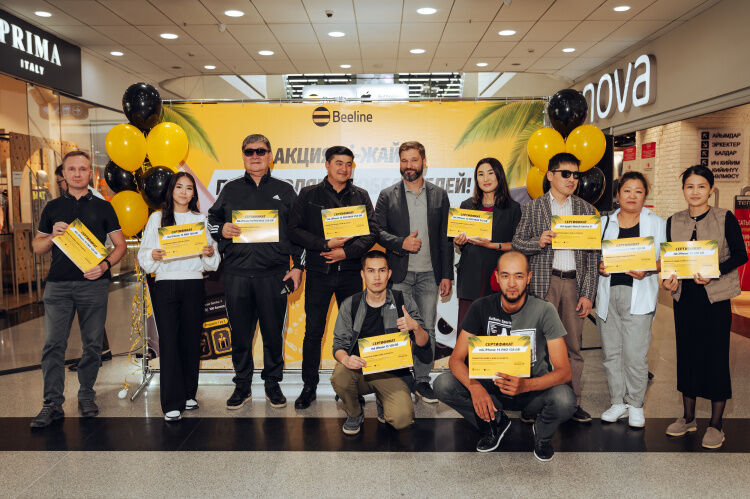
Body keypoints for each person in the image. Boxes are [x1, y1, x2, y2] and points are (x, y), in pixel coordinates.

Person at [434, 251, 576, 461]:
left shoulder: (545, 310)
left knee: (565, 400)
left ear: (529, 278)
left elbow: (564, 372)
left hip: (531, 391)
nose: (512, 283)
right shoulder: (480, 307)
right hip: (491, 389)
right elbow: (456, 359)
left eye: (518, 276)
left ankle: (542, 434)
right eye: (506, 275)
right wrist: (474, 387)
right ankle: (494, 423)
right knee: (443, 384)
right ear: (497, 277)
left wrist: (526, 385)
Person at [29, 151, 127, 428]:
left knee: (93, 345)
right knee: (53, 345)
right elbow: (37, 246)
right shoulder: (52, 208)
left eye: (82, 169)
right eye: (71, 169)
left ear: (89, 172)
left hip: (93, 285)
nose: (77, 173)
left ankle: (86, 394)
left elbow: (120, 245)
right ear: (63, 174)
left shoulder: (104, 207)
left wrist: (104, 266)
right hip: (58, 286)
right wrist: (52, 236)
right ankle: (52, 403)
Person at [207, 133, 303, 410]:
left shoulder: (285, 190)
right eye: (249, 152)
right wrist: (221, 229)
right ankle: (242, 385)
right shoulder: (231, 189)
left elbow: (298, 232)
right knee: (240, 336)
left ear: (270, 155)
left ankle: (272, 384)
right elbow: (211, 219)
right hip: (236, 274)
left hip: (274, 276)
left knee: (273, 335)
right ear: (243, 156)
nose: (255, 156)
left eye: (261, 151)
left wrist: (298, 267)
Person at [662, 165, 747, 449]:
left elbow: (740, 254)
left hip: (715, 299)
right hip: (685, 299)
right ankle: (688, 418)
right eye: (690, 186)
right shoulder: (674, 220)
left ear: (710, 189)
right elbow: (670, 260)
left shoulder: (725, 217)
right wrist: (669, 282)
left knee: (715, 358)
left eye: (701, 186)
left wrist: (715, 272)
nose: (695, 192)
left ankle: (716, 424)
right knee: (686, 355)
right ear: (683, 190)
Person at [512, 152, 599, 423]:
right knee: (538, 346)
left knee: (573, 346)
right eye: (566, 174)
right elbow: (517, 243)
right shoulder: (533, 208)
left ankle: (572, 403)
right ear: (550, 175)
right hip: (543, 283)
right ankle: (535, 404)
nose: (572, 179)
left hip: (574, 283)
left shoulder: (586, 210)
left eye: (576, 175)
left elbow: (593, 256)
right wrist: (538, 241)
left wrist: (588, 294)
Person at [288, 146, 378, 409]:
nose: (344, 169)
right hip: (319, 273)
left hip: (350, 273)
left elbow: (372, 232)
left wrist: (346, 252)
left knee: (354, 332)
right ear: (327, 165)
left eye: (349, 164)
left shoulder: (360, 195)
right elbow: (294, 230)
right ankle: (309, 386)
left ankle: (350, 386)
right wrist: (324, 244)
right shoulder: (309, 194)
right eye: (339, 163)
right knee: (313, 332)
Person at [374, 141, 453, 403]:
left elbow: (446, 238)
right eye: (404, 160)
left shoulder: (439, 195)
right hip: (399, 274)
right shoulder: (387, 195)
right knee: (395, 328)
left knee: (426, 327)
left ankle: (422, 380)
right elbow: (377, 232)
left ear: (424, 162)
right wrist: (401, 243)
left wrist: (447, 275)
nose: (409, 165)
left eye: (414, 160)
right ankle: (396, 381)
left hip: (430, 275)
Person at [138, 172, 220, 421]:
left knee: (191, 341)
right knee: (170, 343)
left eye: (189, 188)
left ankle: (188, 394)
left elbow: (213, 261)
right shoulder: (157, 218)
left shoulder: (200, 219)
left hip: (194, 284)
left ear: (194, 193)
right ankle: (171, 402)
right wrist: (153, 255)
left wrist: (208, 253)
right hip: (166, 284)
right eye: (179, 187)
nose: (184, 192)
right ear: (171, 190)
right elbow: (144, 256)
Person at [330, 250, 431, 435]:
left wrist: (415, 326)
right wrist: (346, 359)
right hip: (360, 371)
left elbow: (424, 342)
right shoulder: (350, 304)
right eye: (371, 271)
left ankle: (382, 400)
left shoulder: (403, 300)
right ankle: (355, 413)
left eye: (382, 270)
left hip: (391, 375)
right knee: (339, 375)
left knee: (402, 419)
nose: (376, 277)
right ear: (362, 274)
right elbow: (338, 345)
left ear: (389, 274)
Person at [596, 171, 666, 428]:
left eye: (638, 191)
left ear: (645, 196)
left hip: (639, 295)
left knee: (635, 356)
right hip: (608, 294)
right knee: (611, 353)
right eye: (627, 190)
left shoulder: (656, 223)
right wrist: (599, 266)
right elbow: (594, 256)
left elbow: (666, 258)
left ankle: (635, 405)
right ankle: (617, 402)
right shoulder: (604, 223)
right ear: (618, 194)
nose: (632, 196)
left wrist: (649, 268)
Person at [54, 164, 113, 372]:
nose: (61, 186)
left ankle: (94, 356)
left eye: (60, 182)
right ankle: (100, 352)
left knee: (89, 313)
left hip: (91, 262)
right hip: (79, 262)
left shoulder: (93, 199)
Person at [454, 157, 521, 329]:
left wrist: (491, 245)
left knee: (495, 329)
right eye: (480, 174)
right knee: (468, 329)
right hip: (470, 276)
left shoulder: (513, 208)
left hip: (498, 276)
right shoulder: (467, 205)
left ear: (499, 175)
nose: (486, 178)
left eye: (490, 173)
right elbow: (462, 243)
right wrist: (459, 242)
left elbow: (518, 245)